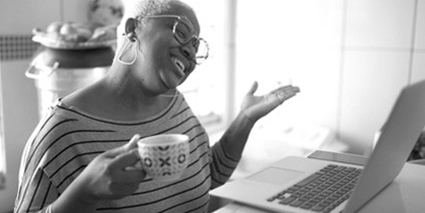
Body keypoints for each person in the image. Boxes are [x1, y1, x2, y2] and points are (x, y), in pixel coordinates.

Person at [14, 0, 300, 212]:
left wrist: (245, 119)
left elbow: (208, 175)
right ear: (132, 30)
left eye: (196, 46)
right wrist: (83, 195)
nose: (190, 51)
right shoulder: (62, 133)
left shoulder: (176, 106)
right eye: (180, 32)